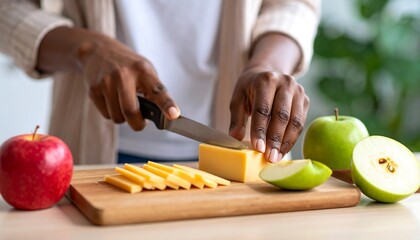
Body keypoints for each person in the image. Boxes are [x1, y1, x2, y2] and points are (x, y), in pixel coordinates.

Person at [0, 0, 320, 165]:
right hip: (94, 155)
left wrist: (267, 64)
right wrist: (85, 50)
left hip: (241, 162)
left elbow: (293, 5)